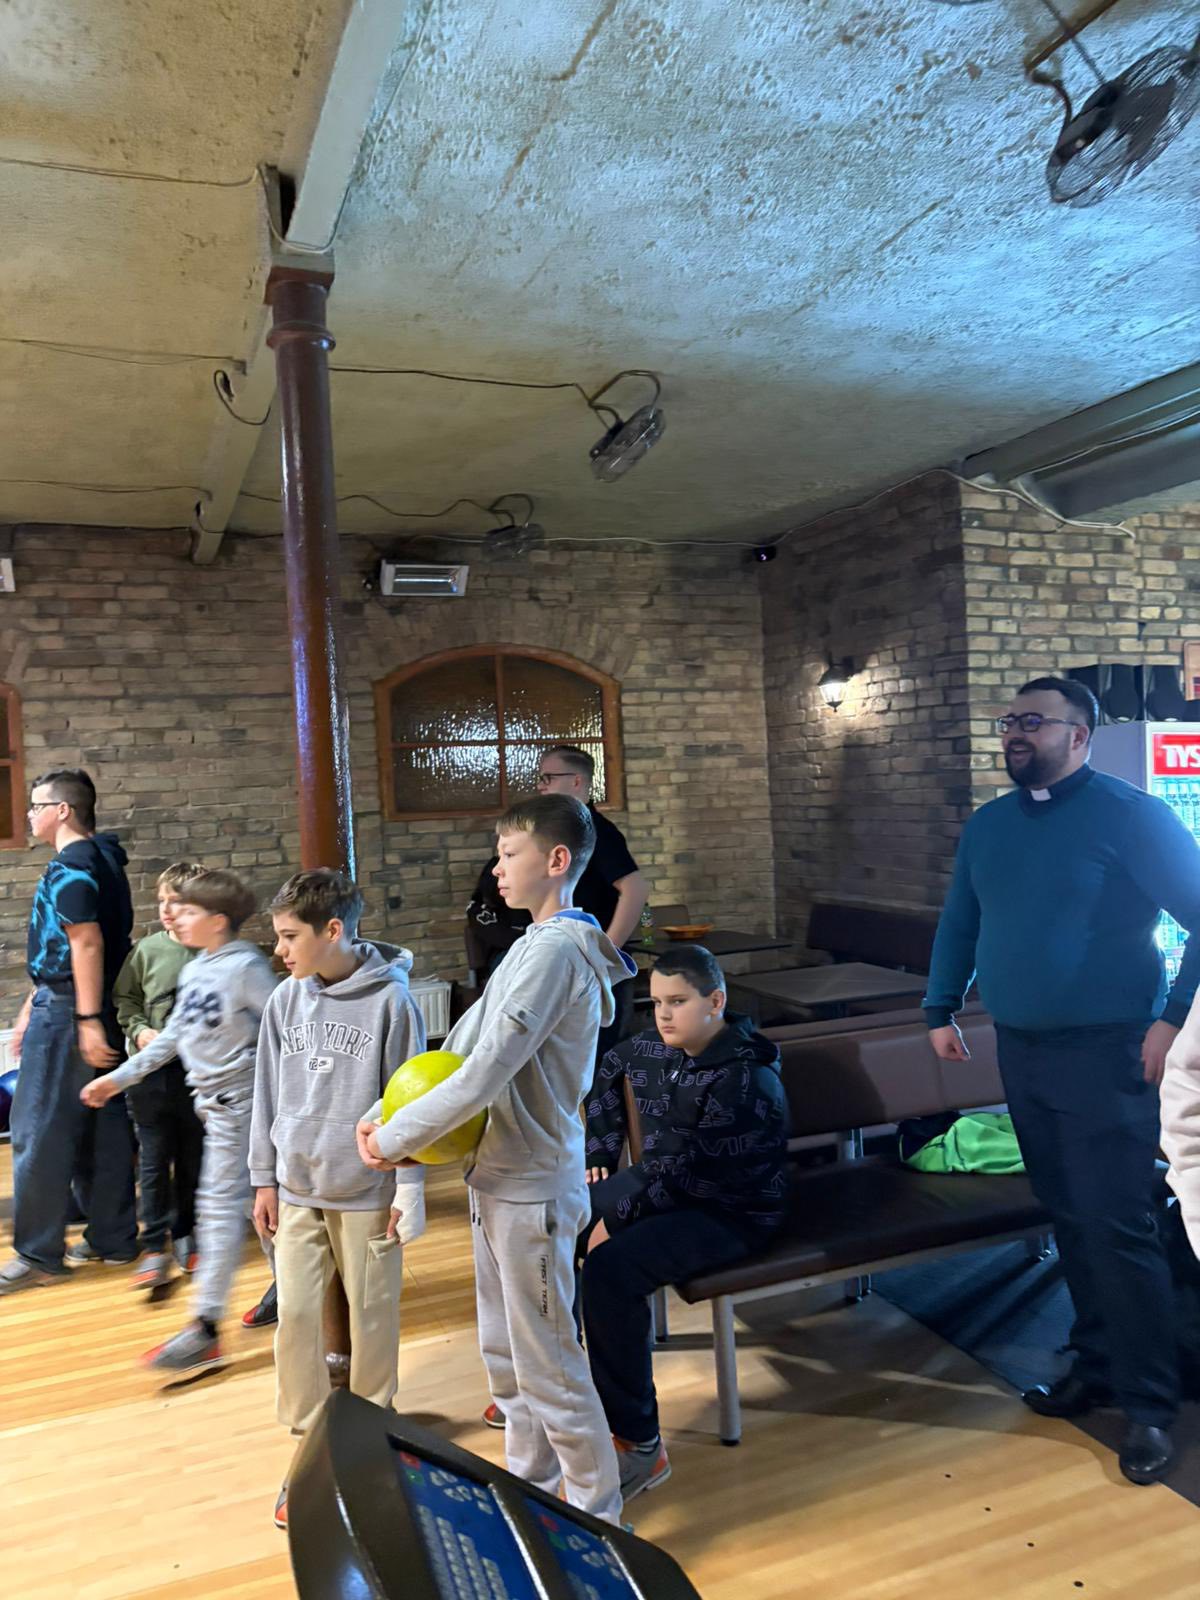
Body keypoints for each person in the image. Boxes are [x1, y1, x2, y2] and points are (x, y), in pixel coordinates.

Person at [924, 675, 1200, 1485]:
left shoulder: (1131, 816)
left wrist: (1171, 1019)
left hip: (1110, 1052)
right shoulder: (990, 824)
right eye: (1011, 720)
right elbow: (962, 918)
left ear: (1080, 736)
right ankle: (1097, 1364)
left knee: (1117, 1225)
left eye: (1035, 722)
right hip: (1023, 1049)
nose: (1017, 732)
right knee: (1069, 1218)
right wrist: (940, 1005)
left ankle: (1150, 1405)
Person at [358, 793, 634, 1524]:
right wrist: (383, 1115)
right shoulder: (529, 945)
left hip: (535, 1190)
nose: (497, 868)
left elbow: (486, 1073)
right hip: (496, 1178)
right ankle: (532, 1501)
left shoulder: (559, 953)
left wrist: (394, 1142)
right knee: (507, 1362)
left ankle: (599, 1523)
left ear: (557, 861)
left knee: (551, 1370)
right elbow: (457, 1049)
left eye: (509, 854)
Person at [250, 869, 427, 1531]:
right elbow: (266, 1094)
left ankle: (372, 1444)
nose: (279, 950)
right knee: (296, 1316)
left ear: (333, 930)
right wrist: (262, 1178)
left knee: (374, 1321)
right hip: (297, 1187)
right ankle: (309, 1451)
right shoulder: (283, 1001)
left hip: (367, 1192)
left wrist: (409, 1187)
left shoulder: (393, 1003)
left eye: (290, 936)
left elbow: (413, 1103)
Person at [581, 944, 789, 1499]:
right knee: (565, 1220)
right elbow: (609, 1067)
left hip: (733, 1212)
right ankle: (580, 1392)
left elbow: (688, 1176)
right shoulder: (660, 1046)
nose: (663, 1015)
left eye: (677, 1001)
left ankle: (639, 1445)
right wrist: (600, 1148)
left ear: (715, 1001)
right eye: (655, 1003)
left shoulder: (743, 1080)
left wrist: (616, 1219)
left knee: (609, 1270)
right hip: (672, 1189)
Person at [82, 868, 277, 1375]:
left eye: (189, 911)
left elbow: (283, 1030)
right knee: (257, 1209)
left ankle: (206, 1328)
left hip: (244, 1109)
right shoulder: (196, 970)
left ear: (218, 920)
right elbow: (172, 1038)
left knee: (222, 1210)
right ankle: (289, 1289)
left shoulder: (246, 967)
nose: (177, 918)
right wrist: (117, 1080)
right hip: (212, 1107)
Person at [0, 769, 137, 1295]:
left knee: (37, 1129)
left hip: (73, 1011)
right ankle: (113, 1238)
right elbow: (67, 946)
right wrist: (32, 1005)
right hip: (81, 1003)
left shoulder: (72, 866)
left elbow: (86, 943)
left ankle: (38, 1254)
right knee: (100, 1124)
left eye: (36, 806)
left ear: (63, 811)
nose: (29, 815)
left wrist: (84, 1019)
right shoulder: (104, 858)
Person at [113, 860, 205, 1289]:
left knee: (191, 1157)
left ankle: (185, 1232)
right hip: (150, 1076)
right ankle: (154, 1245)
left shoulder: (216, 954)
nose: (166, 909)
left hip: (196, 1074)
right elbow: (126, 1000)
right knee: (153, 1160)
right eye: (162, 900)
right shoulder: (146, 951)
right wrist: (139, 1029)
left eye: (178, 901)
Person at [536, 746, 647, 1061]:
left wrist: (604, 954)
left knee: (595, 1062)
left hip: (594, 967)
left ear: (576, 781)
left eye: (548, 777)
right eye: (540, 778)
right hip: (569, 957)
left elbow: (637, 889)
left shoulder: (598, 831)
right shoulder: (566, 830)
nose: (541, 785)